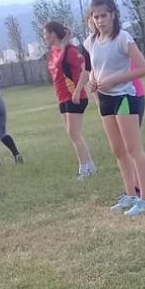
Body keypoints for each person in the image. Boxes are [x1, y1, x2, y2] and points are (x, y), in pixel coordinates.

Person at [84, 0, 145, 217]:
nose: (100, 20)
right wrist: (93, 81)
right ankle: (130, 194)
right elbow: (94, 68)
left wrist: (114, 79)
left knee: (134, 149)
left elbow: (143, 68)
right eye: (96, 17)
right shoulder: (92, 41)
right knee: (118, 150)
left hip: (124, 97)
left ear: (113, 14)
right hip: (104, 100)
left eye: (104, 15)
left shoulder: (123, 38)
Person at [43, 21, 97, 179]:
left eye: (46, 34)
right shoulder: (54, 52)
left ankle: (86, 167)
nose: (44, 38)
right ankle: (88, 165)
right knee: (72, 134)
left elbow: (85, 70)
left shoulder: (71, 51)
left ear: (53, 34)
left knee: (74, 133)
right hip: (62, 97)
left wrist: (78, 90)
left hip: (75, 96)